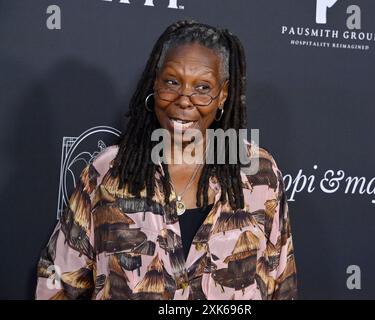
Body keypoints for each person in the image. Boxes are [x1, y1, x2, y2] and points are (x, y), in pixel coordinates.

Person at [35, 19, 297, 300]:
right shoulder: (109, 173)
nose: (184, 100)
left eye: (203, 87)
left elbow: (282, 283)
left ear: (223, 95)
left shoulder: (258, 174)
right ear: (154, 84)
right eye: (172, 82)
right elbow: (57, 280)